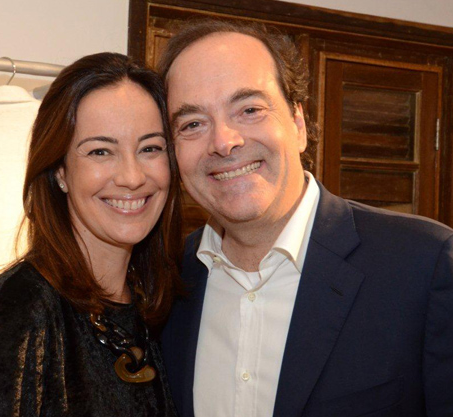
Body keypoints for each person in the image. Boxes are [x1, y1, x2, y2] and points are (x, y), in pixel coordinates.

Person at [158, 19, 453, 417]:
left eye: (249, 109)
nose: (224, 142)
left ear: (298, 124)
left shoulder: (425, 265)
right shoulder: (165, 281)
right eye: (193, 124)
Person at [0, 52, 183, 416]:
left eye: (150, 148)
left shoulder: (154, 301)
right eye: (100, 151)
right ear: (60, 172)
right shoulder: (16, 316)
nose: (132, 177)